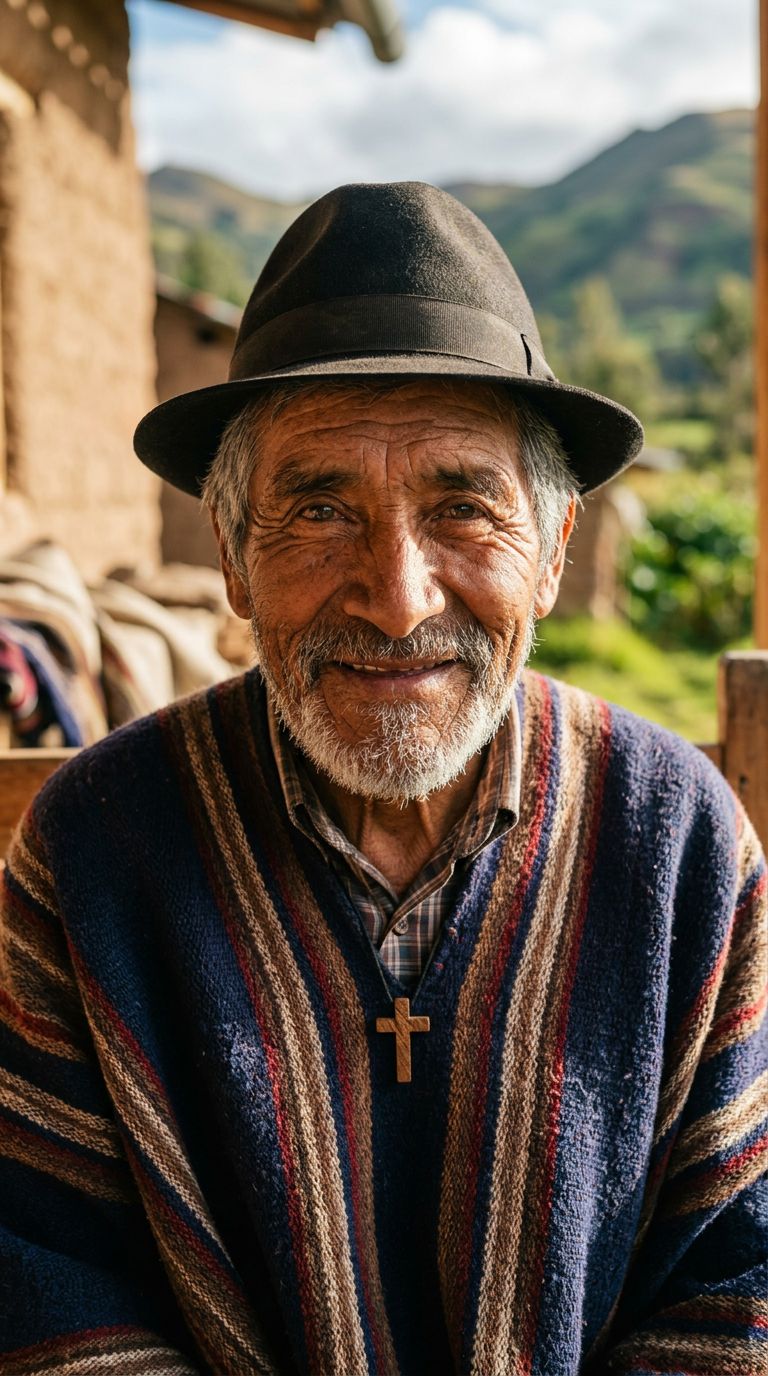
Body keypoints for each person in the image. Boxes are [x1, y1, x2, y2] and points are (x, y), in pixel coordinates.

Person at [0, 183, 765, 1376]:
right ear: (234, 551)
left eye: (463, 505)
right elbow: (41, 1278)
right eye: (318, 508)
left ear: (555, 554)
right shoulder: (95, 849)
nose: (396, 596)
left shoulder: (680, 844)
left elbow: (739, 1283)